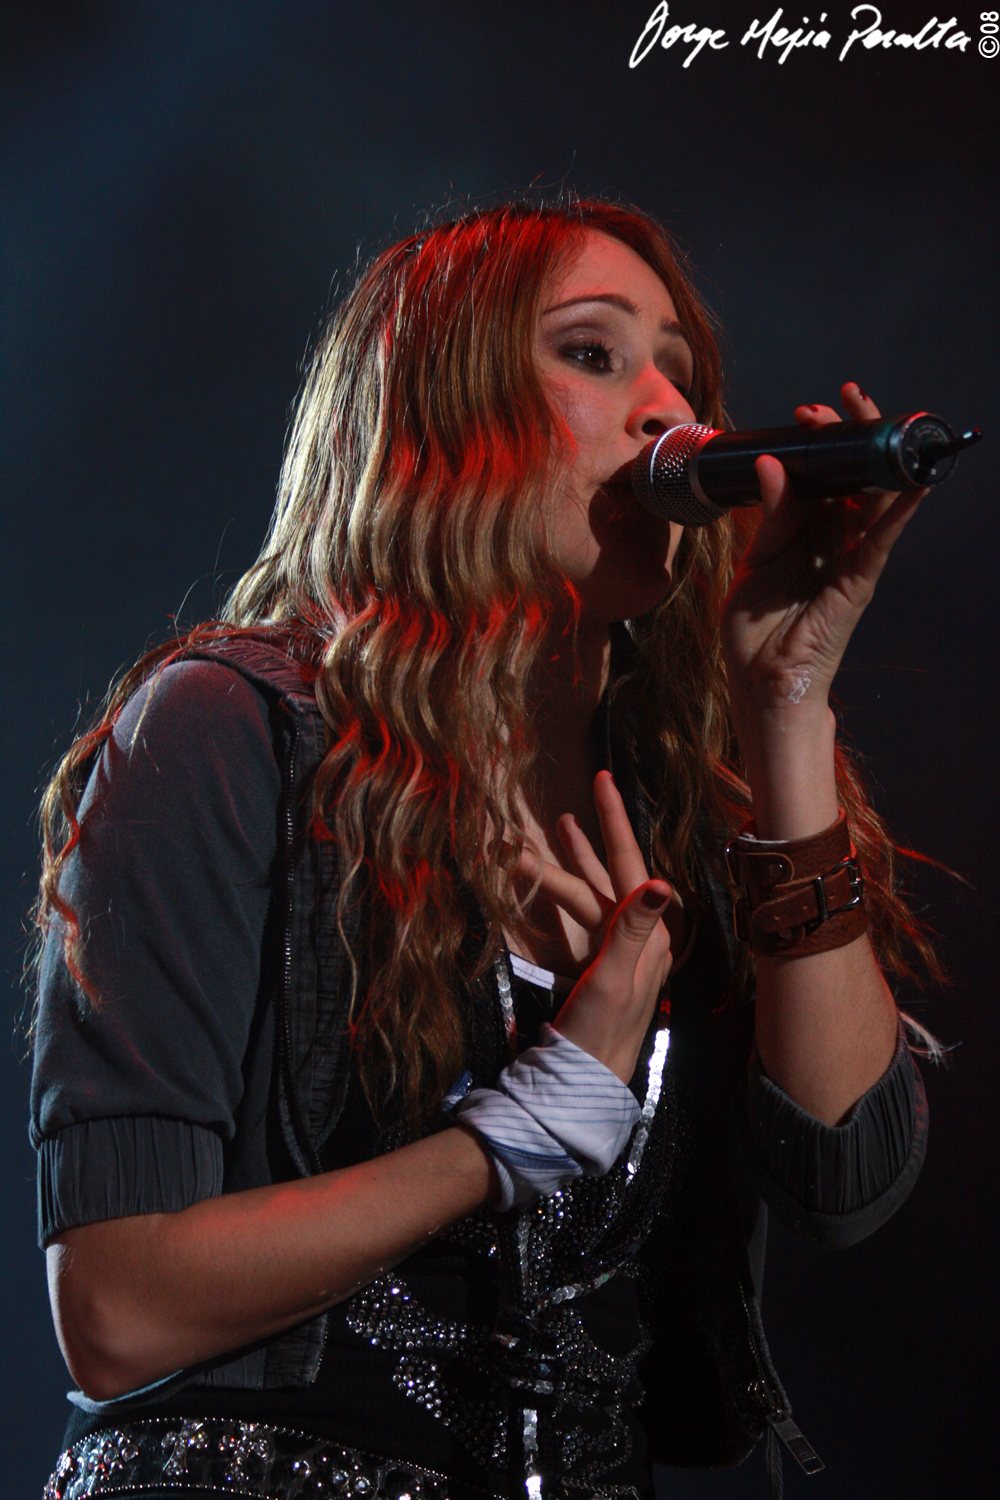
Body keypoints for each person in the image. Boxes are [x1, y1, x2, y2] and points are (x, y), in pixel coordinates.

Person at [31, 199, 936, 1500]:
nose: (669, 405)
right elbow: (117, 1310)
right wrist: (519, 1128)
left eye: (679, 361)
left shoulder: (683, 799)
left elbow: (843, 1174)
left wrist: (785, 708)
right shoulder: (231, 731)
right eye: (593, 351)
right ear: (435, 421)